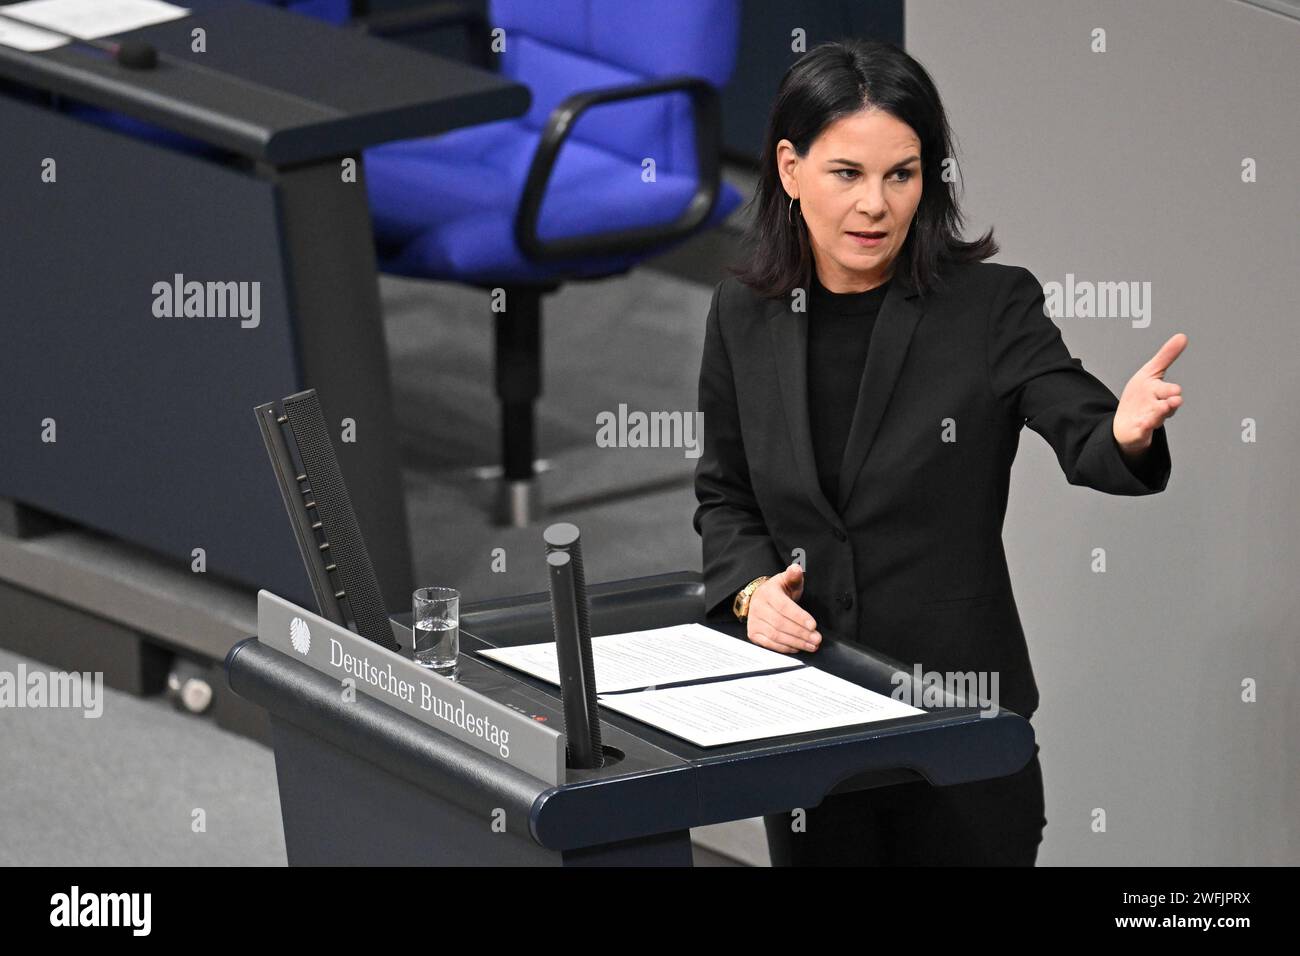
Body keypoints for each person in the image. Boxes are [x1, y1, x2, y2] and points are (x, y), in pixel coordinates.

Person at [692, 37, 1184, 866]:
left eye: (903, 174)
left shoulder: (989, 307)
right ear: (789, 167)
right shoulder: (741, 314)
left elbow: (1082, 429)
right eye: (847, 173)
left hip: (960, 729)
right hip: (810, 718)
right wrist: (749, 594)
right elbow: (725, 495)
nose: (876, 205)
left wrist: (1126, 432)